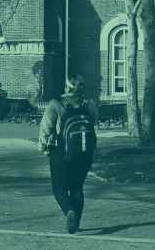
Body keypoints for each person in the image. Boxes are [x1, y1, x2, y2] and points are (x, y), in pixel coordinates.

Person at [38, 75, 98, 235]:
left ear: (66, 88)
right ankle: (76, 223)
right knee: (77, 188)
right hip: (84, 154)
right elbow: (93, 123)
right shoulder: (89, 104)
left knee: (59, 188)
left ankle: (69, 211)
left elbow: (46, 130)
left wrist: (44, 148)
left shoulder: (56, 104)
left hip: (61, 153)